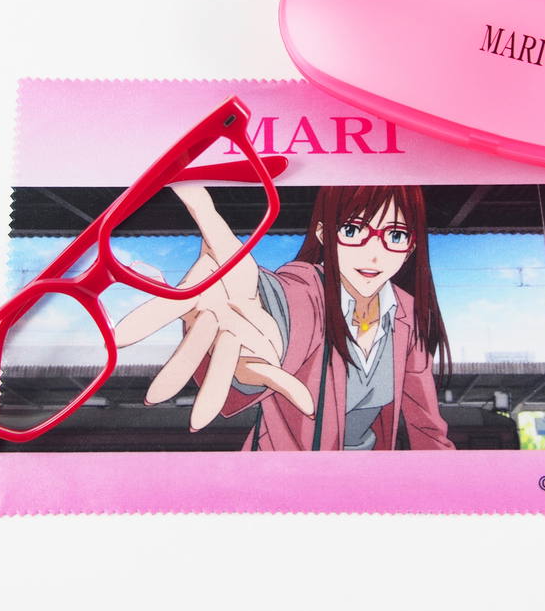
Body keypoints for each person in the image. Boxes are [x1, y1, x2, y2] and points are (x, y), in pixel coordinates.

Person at [114, 184, 454, 450]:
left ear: (410, 247)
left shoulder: (407, 313)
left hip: (368, 477)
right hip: (281, 478)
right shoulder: (307, 291)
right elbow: (283, 306)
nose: (374, 254)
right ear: (323, 233)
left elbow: (427, 425)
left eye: (395, 235)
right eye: (352, 230)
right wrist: (255, 330)